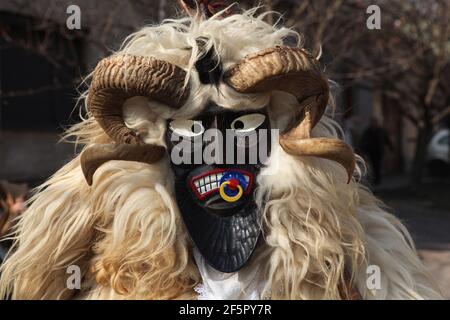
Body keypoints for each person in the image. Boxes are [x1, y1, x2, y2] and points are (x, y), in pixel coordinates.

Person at [0, 2, 441, 300]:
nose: (217, 149)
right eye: (191, 131)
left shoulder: (345, 245)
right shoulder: (90, 223)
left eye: (243, 126)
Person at [359, 118, 393, 185]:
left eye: (375, 122)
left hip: (379, 151)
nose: (374, 124)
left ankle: (378, 180)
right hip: (371, 151)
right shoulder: (368, 131)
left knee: (378, 165)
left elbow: (386, 139)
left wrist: (391, 147)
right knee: (373, 166)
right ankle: (375, 180)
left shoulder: (381, 131)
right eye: (373, 122)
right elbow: (363, 140)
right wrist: (362, 149)